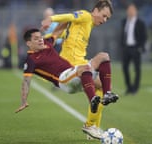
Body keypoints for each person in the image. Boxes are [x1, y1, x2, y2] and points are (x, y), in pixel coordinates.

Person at [15, 28, 119, 139]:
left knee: (103, 57)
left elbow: (57, 32)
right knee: (84, 68)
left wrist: (68, 20)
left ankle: (93, 121)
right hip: (63, 80)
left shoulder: (47, 43)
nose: (40, 40)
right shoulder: (31, 60)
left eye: (40, 37)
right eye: (36, 39)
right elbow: (26, 81)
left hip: (74, 74)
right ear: (28, 43)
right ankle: (92, 99)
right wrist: (23, 101)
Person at [41, 0, 113, 139]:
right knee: (103, 58)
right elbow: (69, 16)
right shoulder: (85, 16)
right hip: (73, 68)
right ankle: (91, 126)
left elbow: (62, 31)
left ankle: (92, 128)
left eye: (107, 19)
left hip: (78, 66)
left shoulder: (84, 25)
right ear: (96, 10)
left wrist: (47, 39)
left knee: (103, 87)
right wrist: (51, 18)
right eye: (104, 16)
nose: (104, 20)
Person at [119, 3, 147, 95]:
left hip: (135, 48)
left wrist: (140, 47)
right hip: (126, 48)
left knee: (137, 69)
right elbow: (122, 35)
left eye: (132, 10)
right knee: (125, 68)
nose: (130, 12)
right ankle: (129, 87)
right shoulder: (124, 21)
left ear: (136, 11)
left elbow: (144, 36)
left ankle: (135, 88)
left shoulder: (140, 23)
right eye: (129, 10)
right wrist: (122, 46)